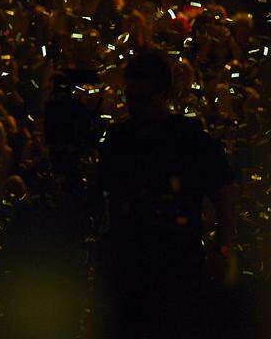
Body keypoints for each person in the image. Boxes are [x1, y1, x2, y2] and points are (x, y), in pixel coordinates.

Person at [97, 51, 239, 339]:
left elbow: (225, 191)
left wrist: (221, 248)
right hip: (131, 263)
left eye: (143, 98)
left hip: (176, 263)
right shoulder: (120, 139)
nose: (135, 106)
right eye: (131, 97)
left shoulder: (188, 138)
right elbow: (109, 196)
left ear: (163, 94)